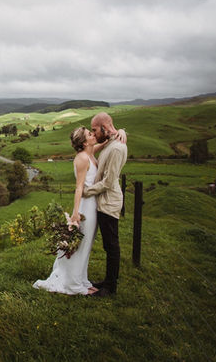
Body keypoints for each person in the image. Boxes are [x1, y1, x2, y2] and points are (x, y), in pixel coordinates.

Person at [33, 126, 126, 295]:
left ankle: (81, 278)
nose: (93, 135)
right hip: (86, 207)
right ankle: (73, 284)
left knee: (87, 244)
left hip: (93, 204)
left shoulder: (90, 152)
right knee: (82, 245)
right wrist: (75, 214)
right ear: (84, 142)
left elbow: (106, 141)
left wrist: (121, 131)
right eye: (90, 134)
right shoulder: (82, 158)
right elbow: (78, 188)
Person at [83, 112, 128, 297]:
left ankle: (110, 288)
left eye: (95, 129)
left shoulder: (117, 148)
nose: (94, 133)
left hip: (109, 202)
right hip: (103, 201)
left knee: (111, 245)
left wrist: (87, 191)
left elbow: (108, 182)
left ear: (104, 127)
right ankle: (107, 281)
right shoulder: (111, 142)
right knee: (108, 246)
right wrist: (123, 131)